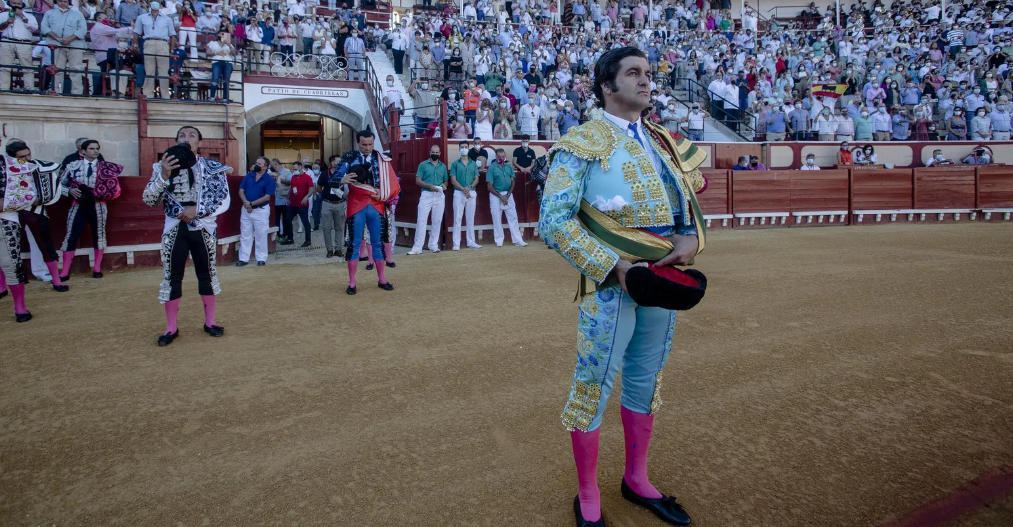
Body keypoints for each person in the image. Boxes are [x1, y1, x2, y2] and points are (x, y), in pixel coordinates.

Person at [540, 47, 706, 527]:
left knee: (645, 377)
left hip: (661, 278)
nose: (646, 81)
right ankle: (588, 491)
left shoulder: (662, 142)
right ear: (606, 86)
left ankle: (636, 478)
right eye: (633, 74)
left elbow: (685, 209)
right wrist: (613, 268)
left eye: (649, 74)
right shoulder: (582, 142)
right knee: (593, 384)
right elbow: (554, 221)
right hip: (610, 284)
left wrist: (691, 239)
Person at [142, 125, 233, 346]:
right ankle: (171, 327)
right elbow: (149, 199)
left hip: (203, 226)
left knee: (207, 274)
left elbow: (223, 199)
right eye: (182, 135)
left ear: (199, 143)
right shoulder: (161, 167)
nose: (186, 138)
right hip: (174, 228)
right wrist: (164, 175)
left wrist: (197, 210)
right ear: (176, 141)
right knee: (172, 276)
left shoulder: (213, 167)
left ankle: (210, 322)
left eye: (192, 135)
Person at [331, 129, 397, 269]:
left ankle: (382, 279)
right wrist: (341, 180)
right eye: (364, 145)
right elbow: (332, 180)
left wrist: (383, 194)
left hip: (376, 203)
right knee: (354, 242)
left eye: (370, 144)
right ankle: (352, 282)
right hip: (356, 204)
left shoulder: (380, 158)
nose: (367, 148)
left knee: (377, 241)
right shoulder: (349, 157)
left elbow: (393, 183)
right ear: (357, 143)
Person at [59, 140, 122, 280]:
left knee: (99, 236)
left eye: (97, 148)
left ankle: (97, 268)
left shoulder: (106, 167)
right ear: (83, 151)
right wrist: (69, 191)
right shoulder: (72, 166)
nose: (95, 151)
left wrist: (106, 194)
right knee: (71, 236)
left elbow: (115, 188)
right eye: (92, 148)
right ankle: (64, 271)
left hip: (98, 204)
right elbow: (59, 185)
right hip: (78, 204)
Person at [337, 161, 398, 295]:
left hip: (364, 206)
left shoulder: (373, 162)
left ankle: (373, 280)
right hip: (372, 205)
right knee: (360, 244)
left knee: (369, 244)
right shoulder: (378, 164)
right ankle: (356, 282)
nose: (367, 147)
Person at [0, 140, 43, 321]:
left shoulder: (16, 165)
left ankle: (20, 307)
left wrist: (11, 203)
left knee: (11, 263)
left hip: (5, 219)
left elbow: (34, 196)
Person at [407, 144, 448, 255]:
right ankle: (417, 247)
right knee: (421, 220)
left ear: (440, 153)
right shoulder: (423, 165)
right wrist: (429, 186)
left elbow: (446, 181)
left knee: (437, 220)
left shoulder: (443, 166)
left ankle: (433, 245)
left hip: (439, 194)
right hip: (427, 193)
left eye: (437, 152)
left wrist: (444, 185)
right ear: (429, 152)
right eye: (433, 152)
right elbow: (418, 181)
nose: (435, 154)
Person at [41, 0, 88, 95]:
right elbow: (44, 28)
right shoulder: (49, 13)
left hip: (75, 45)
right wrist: (57, 38)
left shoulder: (77, 14)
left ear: (68, 2)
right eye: (60, 1)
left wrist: (70, 39)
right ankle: (57, 91)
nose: (62, 3)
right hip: (56, 45)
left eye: (65, 1)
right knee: (57, 69)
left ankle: (77, 93)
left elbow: (83, 30)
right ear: (57, 2)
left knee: (76, 69)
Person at [236, 156, 276, 267]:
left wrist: (251, 204)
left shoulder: (269, 180)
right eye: (256, 162)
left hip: (260, 210)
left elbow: (267, 197)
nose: (256, 165)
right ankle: (243, 258)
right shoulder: (249, 176)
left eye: (259, 163)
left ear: (265, 167)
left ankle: (261, 258)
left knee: (261, 234)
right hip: (246, 209)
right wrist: (246, 203)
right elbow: (241, 190)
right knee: (245, 234)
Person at [133, 2, 177, 99]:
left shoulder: (167, 19)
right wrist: (135, 44)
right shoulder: (142, 17)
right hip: (149, 42)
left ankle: (165, 95)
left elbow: (172, 35)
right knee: (149, 70)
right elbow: (137, 32)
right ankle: (148, 94)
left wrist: (172, 50)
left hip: (163, 43)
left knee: (164, 71)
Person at [486, 147, 526, 247]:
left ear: (505, 156)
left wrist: (507, 195)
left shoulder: (508, 167)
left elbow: (513, 181)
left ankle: (517, 240)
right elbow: (489, 186)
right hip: (496, 195)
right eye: (499, 157)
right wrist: (501, 196)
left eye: (503, 156)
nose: (501, 158)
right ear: (496, 157)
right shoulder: (491, 168)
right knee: (496, 217)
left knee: (513, 216)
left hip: (508, 194)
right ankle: (499, 241)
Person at [1, 0, 39, 92]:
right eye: (14, 3)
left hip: (24, 42)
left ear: (23, 5)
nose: (16, 6)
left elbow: (35, 29)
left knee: (27, 67)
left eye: (19, 4)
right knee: (4, 67)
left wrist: (23, 17)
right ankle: (3, 89)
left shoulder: (29, 16)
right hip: (7, 41)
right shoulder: (3, 15)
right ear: (10, 4)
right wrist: (7, 22)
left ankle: (29, 88)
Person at [450, 141, 481, 251]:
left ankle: (471, 241)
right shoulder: (455, 164)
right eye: (462, 147)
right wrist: (463, 189)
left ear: (468, 148)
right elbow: (453, 180)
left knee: (470, 218)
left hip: (471, 192)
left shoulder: (473, 163)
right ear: (459, 149)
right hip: (459, 192)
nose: (464, 149)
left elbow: (476, 179)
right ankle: (456, 243)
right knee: (457, 219)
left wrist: (469, 188)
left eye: (466, 147)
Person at [317, 154, 347, 260]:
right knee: (326, 228)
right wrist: (325, 194)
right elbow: (319, 187)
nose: (340, 164)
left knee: (339, 227)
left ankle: (338, 249)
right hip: (327, 204)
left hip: (340, 203)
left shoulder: (343, 174)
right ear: (332, 163)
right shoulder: (325, 174)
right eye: (338, 162)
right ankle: (329, 250)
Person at [285, 161, 315, 248]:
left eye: (295, 168)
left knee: (305, 222)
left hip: (302, 204)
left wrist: (306, 197)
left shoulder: (307, 177)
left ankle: (308, 240)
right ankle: (290, 238)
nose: (294, 170)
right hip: (293, 203)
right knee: (287, 219)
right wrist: (288, 198)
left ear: (300, 167)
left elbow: (311, 189)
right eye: (293, 169)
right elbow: (291, 188)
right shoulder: (293, 177)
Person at [207, 29, 236, 101]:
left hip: (228, 62)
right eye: (222, 34)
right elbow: (207, 52)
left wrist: (229, 44)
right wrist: (216, 53)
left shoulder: (229, 45)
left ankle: (225, 98)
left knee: (226, 80)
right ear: (219, 35)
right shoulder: (212, 43)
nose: (223, 35)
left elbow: (234, 53)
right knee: (215, 79)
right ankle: (212, 97)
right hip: (217, 61)